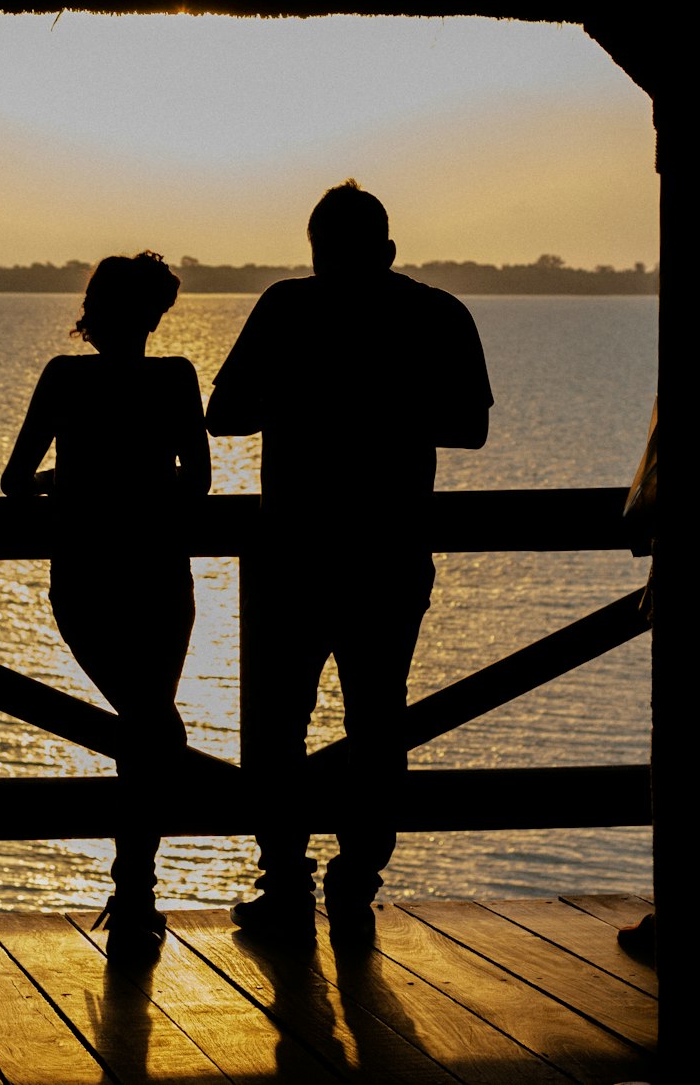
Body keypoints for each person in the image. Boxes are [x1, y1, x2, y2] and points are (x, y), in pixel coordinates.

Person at [206, 181, 493, 943]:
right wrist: (388, 409)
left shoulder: (286, 307)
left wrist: (305, 400)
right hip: (391, 551)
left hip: (293, 550)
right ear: (389, 250)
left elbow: (222, 414)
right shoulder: (437, 312)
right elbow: (471, 428)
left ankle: (287, 886)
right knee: (377, 722)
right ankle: (356, 881)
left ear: (314, 252)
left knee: (277, 726)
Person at [1, 251, 210, 961]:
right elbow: (199, 483)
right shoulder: (176, 379)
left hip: (86, 579)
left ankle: (135, 896)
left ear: (94, 313)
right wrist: (139, 490)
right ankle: (136, 894)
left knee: (143, 732)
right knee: (152, 728)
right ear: (156, 313)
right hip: (159, 576)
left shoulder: (65, 378)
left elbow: (14, 481)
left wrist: (73, 484)